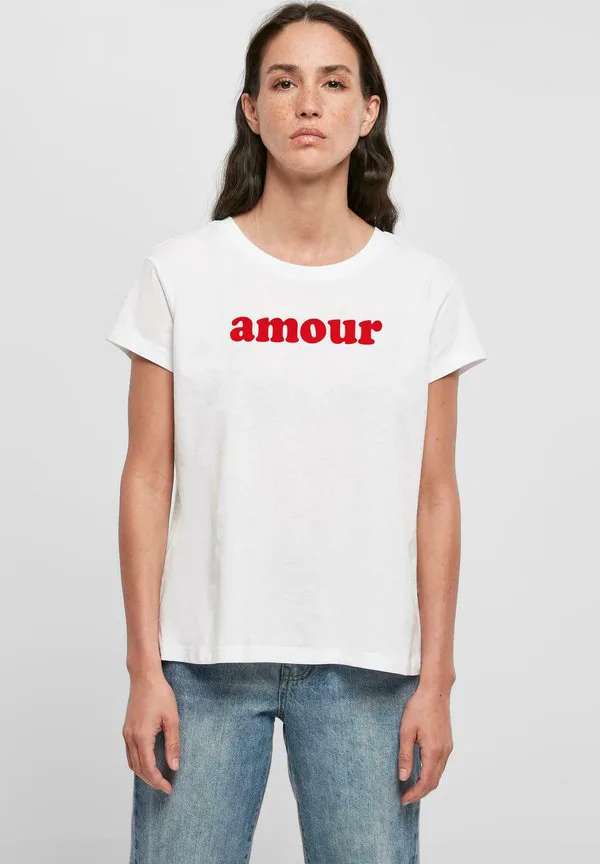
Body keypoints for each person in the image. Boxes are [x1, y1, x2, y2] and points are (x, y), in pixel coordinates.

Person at [105, 3, 488, 862]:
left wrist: (437, 680)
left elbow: (435, 494)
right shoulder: (180, 273)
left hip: (369, 668)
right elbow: (147, 477)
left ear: (368, 111)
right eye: (284, 82)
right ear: (252, 110)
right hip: (201, 664)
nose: (308, 102)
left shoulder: (422, 289)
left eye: (333, 82)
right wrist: (143, 669)